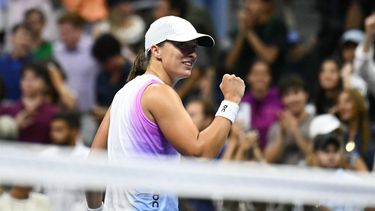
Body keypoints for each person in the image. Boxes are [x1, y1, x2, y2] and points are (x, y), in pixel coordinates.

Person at [86, 16, 245, 211]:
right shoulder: (160, 93)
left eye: (193, 47)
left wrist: (96, 209)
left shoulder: (123, 93)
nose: (192, 54)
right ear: (156, 50)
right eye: (182, 45)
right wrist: (231, 100)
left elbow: (94, 161)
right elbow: (200, 152)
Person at [0, 63, 60, 144]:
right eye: (24, 77)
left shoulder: (55, 113)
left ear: (46, 84)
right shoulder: (6, 110)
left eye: (35, 77)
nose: (28, 81)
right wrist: (14, 126)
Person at [54, 12, 99, 112]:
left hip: (92, 107)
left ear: (79, 30)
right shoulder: (57, 51)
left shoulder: (93, 47)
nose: (64, 37)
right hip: (67, 109)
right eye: (61, 33)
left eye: (67, 32)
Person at [265, 75, 313, 165]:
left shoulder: (316, 123)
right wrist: (282, 135)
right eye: (287, 95)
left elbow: (317, 158)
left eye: (296, 92)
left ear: (306, 94)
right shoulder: (276, 127)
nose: (292, 99)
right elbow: (268, 160)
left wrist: (296, 132)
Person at [241, 60, 282, 150]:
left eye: (264, 74)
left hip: (275, 154)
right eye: (256, 74)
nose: (260, 78)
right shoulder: (241, 101)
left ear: (270, 77)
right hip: (246, 152)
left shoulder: (280, 99)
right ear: (248, 77)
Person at [91, 33, 131, 121]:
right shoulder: (102, 77)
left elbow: (136, 109)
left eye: (105, 62)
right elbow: (99, 103)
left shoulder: (134, 75)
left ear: (115, 56)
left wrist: (107, 113)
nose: (102, 66)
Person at [336, 88, 374, 171]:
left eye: (347, 101)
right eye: (339, 103)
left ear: (358, 103)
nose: (342, 107)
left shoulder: (372, 132)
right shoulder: (341, 134)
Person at [0, 24, 33, 101]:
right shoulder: (1, 62)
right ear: (12, 38)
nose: (25, 42)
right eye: (23, 37)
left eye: (29, 38)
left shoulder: (34, 64)